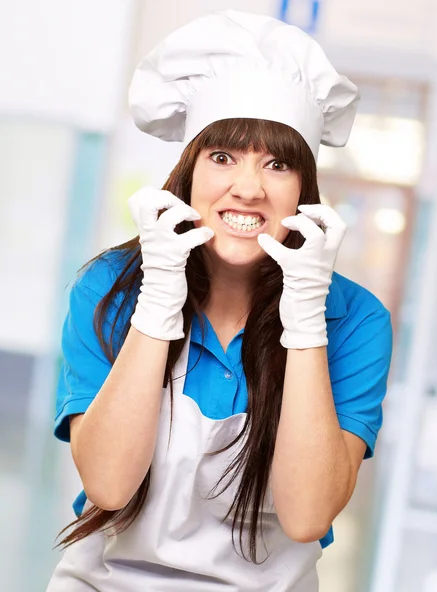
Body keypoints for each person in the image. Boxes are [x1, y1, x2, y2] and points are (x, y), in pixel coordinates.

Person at [47, 9, 393, 591]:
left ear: (305, 190)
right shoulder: (111, 290)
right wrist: (157, 300)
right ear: (188, 173)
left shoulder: (353, 320)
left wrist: (305, 320)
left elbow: (308, 516)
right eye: (223, 157)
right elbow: (108, 485)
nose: (250, 188)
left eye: (278, 164)